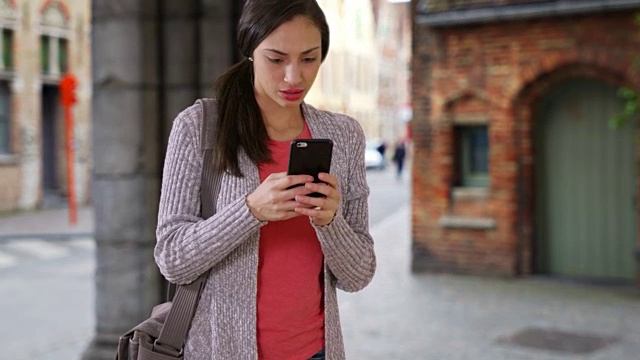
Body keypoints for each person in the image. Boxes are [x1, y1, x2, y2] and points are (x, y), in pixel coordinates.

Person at [154, 1, 376, 359]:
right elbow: (172, 258)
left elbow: (358, 275)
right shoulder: (198, 127)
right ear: (250, 53)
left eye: (309, 58)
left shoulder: (344, 136)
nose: (294, 77)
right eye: (276, 59)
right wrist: (250, 211)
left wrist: (330, 221)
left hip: (315, 352)